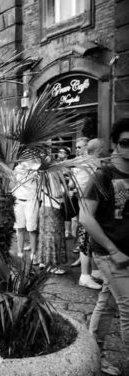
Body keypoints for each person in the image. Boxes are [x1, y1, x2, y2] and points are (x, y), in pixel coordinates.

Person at [81, 119, 129, 376]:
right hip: (111, 254)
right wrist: (113, 250)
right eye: (125, 143)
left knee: (108, 303)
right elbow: (85, 217)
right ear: (114, 144)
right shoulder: (103, 174)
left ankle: (93, 356)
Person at [72, 137, 104, 289]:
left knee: (90, 240)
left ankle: (95, 272)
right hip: (88, 209)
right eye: (102, 148)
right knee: (86, 240)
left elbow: (73, 185)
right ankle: (85, 276)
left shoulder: (81, 162)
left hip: (85, 207)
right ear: (98, 150)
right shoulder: (92, 163)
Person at [13, 159, 41, 260]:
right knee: (19, 228)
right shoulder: (16, 168)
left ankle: (33, 253)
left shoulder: (36, 169)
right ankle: (19, 251)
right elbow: (12, 184)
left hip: (31, 201)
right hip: (18, 201)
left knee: (32, 228)